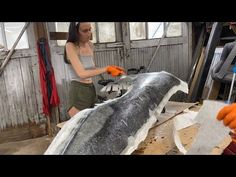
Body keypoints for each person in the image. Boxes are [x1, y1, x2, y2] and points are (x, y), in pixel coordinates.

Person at [64, 22, 125, 118]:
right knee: (80, 125)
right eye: (85, 31)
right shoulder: (70, 46)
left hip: (91, 88)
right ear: (75, 32)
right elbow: (82, 74)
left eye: (90, 29)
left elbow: (92, 69)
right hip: (78, 90)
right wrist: (106, 68)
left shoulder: (90, 45)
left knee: (93, 121)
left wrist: (111, 69)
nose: (89, 33)